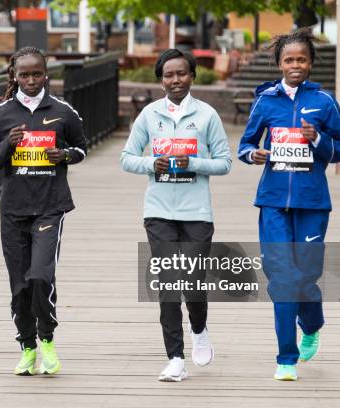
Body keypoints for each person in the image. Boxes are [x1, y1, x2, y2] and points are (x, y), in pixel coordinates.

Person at [238, 27, 340, 381]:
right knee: (283, 278)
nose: (295, 65)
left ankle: (312, 324)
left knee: (306, 276)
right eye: (289, 59)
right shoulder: (266, 101)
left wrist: (319, 140)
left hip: (312, 203)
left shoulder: (325, 102)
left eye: (302, 59)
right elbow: (246, 143)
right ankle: (286, 358)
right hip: (272, 202)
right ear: (279, 63)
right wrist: (253, 154)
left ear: (311, 63)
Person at [120, 49, 231, 382]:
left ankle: (199, 328)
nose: (175, 80)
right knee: (169, 285)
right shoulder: (149, 116)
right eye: (168, 75)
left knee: (193, 283)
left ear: (192, 76)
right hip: (159, 213)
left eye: (181, 73)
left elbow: (224, 162)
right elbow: (126, 158)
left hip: (197, 213)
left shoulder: (208, 115)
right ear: (161, 79)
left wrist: (192, 163)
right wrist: (150, 164)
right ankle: (175, 358)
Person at [0, 47, 87, 376]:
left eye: (36, 74)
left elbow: (82, 148)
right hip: (13, 210)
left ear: (46, 75)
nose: (30, 80)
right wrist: (6, 145)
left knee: (40, 276)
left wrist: (64, 155)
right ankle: (27, 347)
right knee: (20, 286)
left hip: (50, 207)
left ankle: (47, 339)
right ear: (14, 76)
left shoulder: (63, 111)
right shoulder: (1, 115)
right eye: (23, 75)